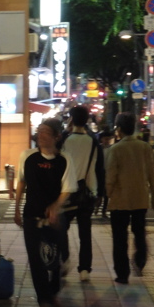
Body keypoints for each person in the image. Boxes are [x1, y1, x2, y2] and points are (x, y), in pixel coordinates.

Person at [14, 119, 77, 307]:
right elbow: (21, 182)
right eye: (39, 132)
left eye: (46, 132)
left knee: (56, 258)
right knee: (36, 260)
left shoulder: (65, 159)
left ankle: (52, 294)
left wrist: (55, 207)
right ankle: (44, 304)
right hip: (32, 215)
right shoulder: (27, 156)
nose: (40, 136)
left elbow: (67, 188)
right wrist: (16, 208)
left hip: (56, 218)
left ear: (57, 136)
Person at [105, 112, 154, 284]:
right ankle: (140, 261)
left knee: (119, 238)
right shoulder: (145, 147)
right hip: (140, 198)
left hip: (120, 201)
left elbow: (111, 177)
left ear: (119, 129)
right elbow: (153, 174)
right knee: (139, 232)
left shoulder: (116, 149)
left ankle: (122, 273)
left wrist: (107, 194)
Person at [60, 105, 103, 282]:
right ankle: (84, 269)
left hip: (68, 192)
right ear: (87, 120)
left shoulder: (64, 140)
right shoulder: (93, 141)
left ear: (71, 119)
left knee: (62, 228)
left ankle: (64, 258)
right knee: (85, 233)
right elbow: (100, 170)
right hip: (87, 192)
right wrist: (100, 194)